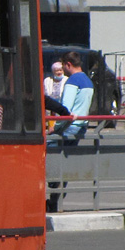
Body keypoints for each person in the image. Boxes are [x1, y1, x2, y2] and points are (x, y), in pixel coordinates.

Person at [46, 51, 94, 213]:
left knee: (47, 157)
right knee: (63, 165)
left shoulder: (73, 81)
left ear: (68, 64)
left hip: (67, 128)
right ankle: (55, 201)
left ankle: (52, 200)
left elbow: (66, 111)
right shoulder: (88, 81)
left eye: (64, 67)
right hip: (80, 128)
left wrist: (54, 128)